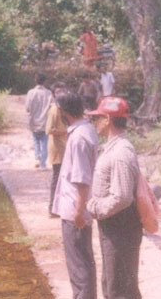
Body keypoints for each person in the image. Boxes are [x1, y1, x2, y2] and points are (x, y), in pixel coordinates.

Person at [86, 96, 143, 299]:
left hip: (121, 226)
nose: (94, 123)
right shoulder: (115, 148)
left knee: (120, 289)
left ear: (107, 119)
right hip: (115, 226)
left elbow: (122, 197)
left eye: (97, 118)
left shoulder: (120, 153)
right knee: (113, 284)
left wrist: (95, 207)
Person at [51, 93, 98, 299]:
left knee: (79, 266)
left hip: (74, 210)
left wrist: (79, 211)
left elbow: (82, 178)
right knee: (83, 262)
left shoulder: (78, 137)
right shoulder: (86, 130)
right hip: (76, 207)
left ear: (64, 112)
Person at [45, 82, 68, 218]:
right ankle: (52, 209)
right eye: (58, 92)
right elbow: (48, 130)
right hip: (57, 148)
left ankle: (58, 207)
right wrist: (66, 131)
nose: (61, 94)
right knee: (57, 178)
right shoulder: (54, 109)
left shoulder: (61, 108)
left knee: (62, 178)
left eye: (62, 91)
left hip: (63, 147)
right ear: (53, 95)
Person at [25, 73, 52, 169]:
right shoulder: (49, 93)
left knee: (36, 140)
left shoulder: (31, 92)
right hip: (45, 122)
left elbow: (27, 108)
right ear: (44, 82)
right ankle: (43, 164)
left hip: (34, 121)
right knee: (45, 143)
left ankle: (37, 158)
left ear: (35, 81)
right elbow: (51, 107)